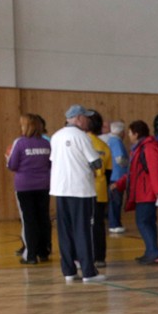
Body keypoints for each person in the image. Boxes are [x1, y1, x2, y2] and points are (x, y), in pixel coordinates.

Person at [49, 104, 104, 282]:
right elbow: (96, 163)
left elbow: (53, 160)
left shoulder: (55, 136)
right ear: (79, 118)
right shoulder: (83, 137)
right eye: (86, 117)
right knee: (83, 230)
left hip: (60, 189)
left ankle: (69, 271)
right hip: (80, 190)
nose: (88, 120)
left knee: (64, 231)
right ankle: (88, 271)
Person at [114, 120, 158, 264]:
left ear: (136, 134)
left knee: (143, 222)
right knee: (147, 222)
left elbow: (156, 171)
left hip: (147, 193)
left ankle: (154, 252)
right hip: (143, 193)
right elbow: (132, 173)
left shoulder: (148, 148)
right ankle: (151, 251)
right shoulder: (139, 148)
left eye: (130, 133)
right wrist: (119, 184)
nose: (128, 135)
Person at [6, 114, 51, 264]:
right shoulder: (46, 144)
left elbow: (12, 165)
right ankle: (44, 252)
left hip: (25, 186)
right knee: (43, 218)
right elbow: (50, 164)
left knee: (29, 220)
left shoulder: (20, 143)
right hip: (44, 185)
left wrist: (8, 160)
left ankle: (30, 255)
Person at [87, 110, 112, 267]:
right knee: (98, 225)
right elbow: (109, 172)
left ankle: (83, 256)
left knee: (83, 225)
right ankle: (100, 257)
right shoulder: (103, 146)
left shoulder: (81, 142)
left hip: (84, 190)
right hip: (101, 190)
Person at [103, 120, 129, 235]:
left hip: (113, 174)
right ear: (121, 132)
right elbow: (119, 159)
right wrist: (128, 165)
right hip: (117, 175)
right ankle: (114, 224)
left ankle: (114, 223)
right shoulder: (116, 141)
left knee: (114, 200)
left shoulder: (110, 141)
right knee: (115, 201)